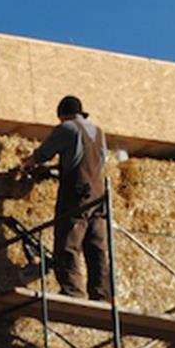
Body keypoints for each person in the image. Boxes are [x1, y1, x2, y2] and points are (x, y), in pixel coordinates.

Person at [21, 95, 114, 300]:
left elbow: (43, 154)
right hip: (99, 195)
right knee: (96, 246)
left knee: (68, 242)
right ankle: (103, 294)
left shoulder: (67, 128)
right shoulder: (98, 132)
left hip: (76, 193)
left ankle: (73, 292)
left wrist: (27, 163)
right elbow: (87, 161)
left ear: (63, 116)